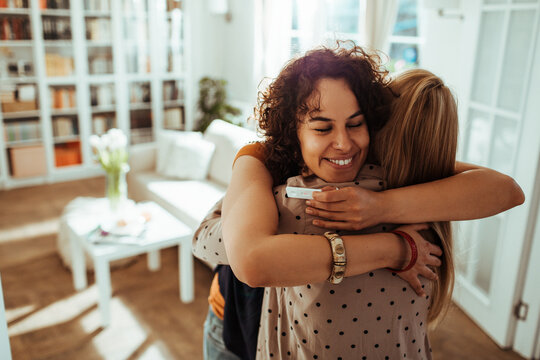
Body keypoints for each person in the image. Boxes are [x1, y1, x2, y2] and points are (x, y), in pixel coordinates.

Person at [193, 44, 524, 359]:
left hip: (242, 325)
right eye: (323, 127)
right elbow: (504, 188)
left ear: (376, 127)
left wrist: (380, 207)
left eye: (356, 123)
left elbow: (207, 237)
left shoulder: (305, 200)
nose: (343, 143)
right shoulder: (436, 193)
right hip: (241, 313)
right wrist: (396, 247)